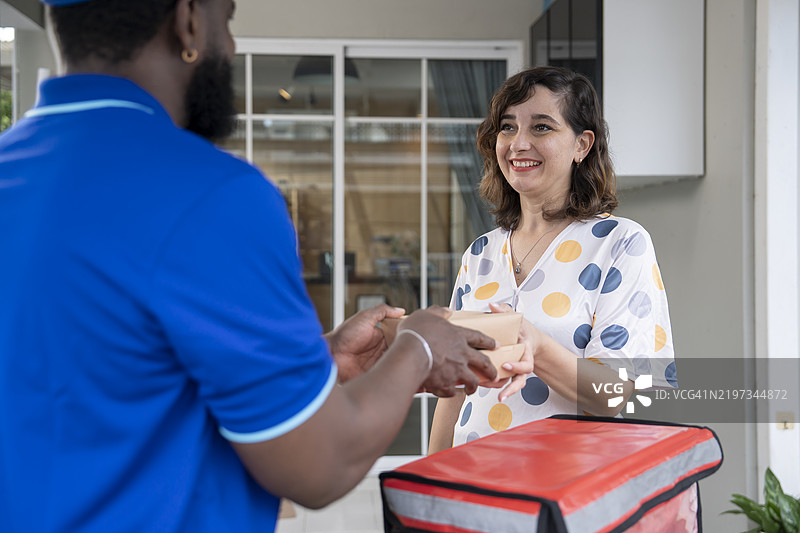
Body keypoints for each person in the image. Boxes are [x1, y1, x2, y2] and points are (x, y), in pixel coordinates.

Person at [0, 1, 504, 531]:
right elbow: (320, 464)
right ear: (189, 18)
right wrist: (418, 347)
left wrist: (318, 362)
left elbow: (101, 379)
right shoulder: (211, 196)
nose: (233, 47)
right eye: (229, 20)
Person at [429, 66, 677, 454]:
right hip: (473, 481)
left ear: (582, 145)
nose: (518, 143)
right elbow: (457, 390)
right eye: (507, 127)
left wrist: (538, 347)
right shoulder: (480, 253)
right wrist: (429, 480)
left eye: (541, 127)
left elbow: (618, 395)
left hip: (565, 492)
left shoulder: (620, 244)